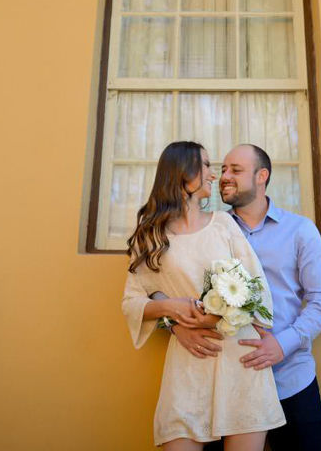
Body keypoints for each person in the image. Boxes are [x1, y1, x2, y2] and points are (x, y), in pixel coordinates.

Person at [121, 141, 286, 450]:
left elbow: (256, 288)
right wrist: (172, 313)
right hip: (189, 362)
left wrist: (217, 315)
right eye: (207, 166)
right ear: (184, 174)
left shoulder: (223, 224)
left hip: (241, 360)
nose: (214, 175)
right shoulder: (150, 235)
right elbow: (133, 301)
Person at [172, 144, 321, 451]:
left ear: (262, 176)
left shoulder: (300, 230)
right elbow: (171, 285)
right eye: (222, 170)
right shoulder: (207, 230)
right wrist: (174, 324)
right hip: (223, 386)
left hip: (290, 381)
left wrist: (282, 344)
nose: (224, 177)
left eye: (235, 170)